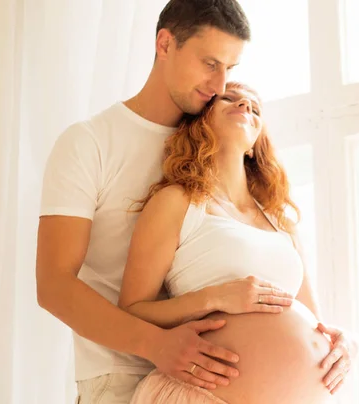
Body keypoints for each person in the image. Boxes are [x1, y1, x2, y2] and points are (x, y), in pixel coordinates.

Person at [36, 1, 252, 403]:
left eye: (230, 69)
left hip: (215, 383)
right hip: (121, 376)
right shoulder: (90, 143)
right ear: (165, 43)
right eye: (210, 63)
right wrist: (156, 345)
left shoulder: (218, 142)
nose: (221, 85)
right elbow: (53, 286)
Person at [119, 82, 358, 404]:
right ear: (200, 122)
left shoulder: (281, 221)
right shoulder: (176, 202)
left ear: (254, 145)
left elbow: (313, 320)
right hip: (204, 394)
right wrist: (214, 298)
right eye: (230, 99)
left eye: (255, 107)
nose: (245, 106)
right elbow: (131, 312)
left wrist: (342, 342)